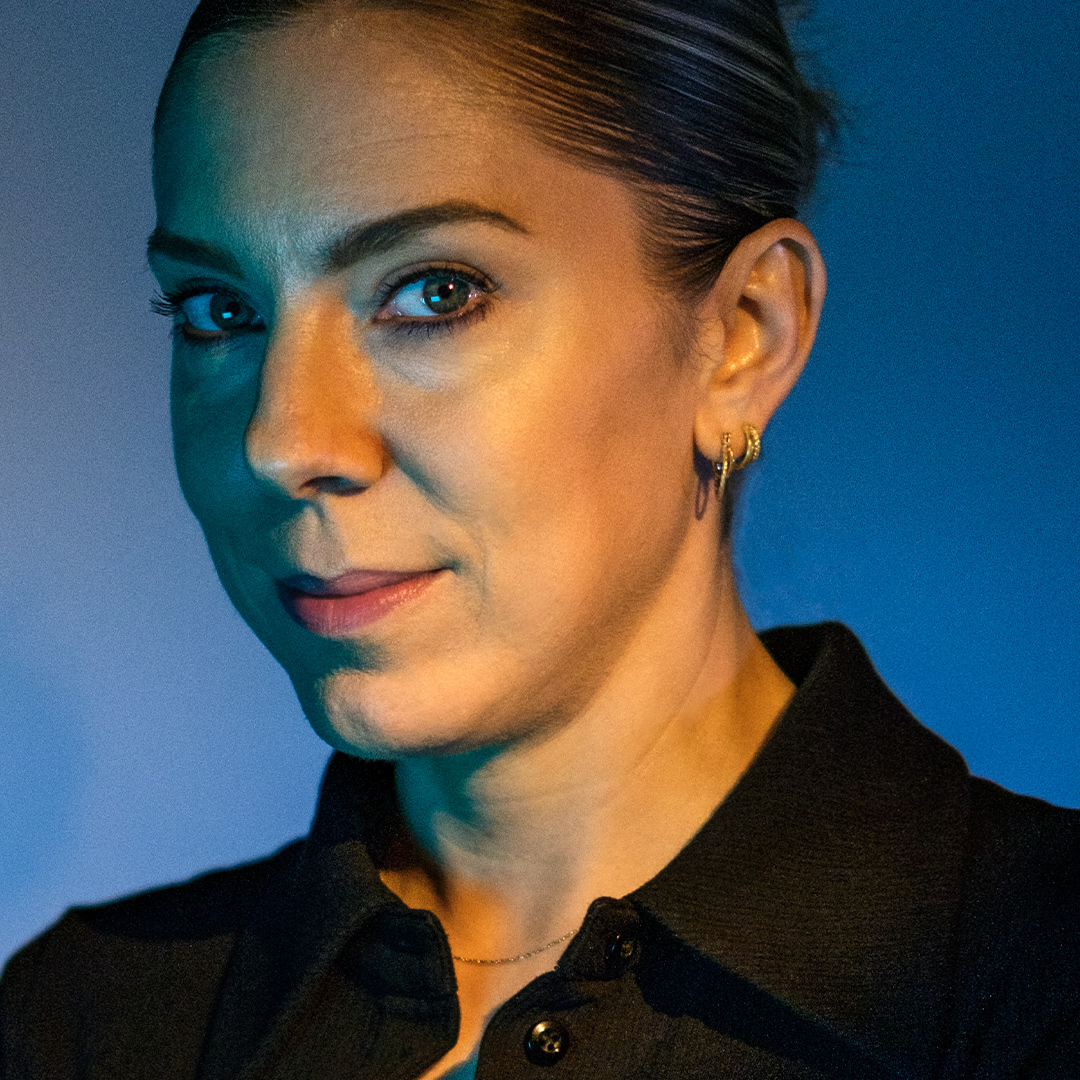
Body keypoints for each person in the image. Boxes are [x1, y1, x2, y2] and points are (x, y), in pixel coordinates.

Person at [2, 1, 1078, 1077]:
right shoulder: (84, 1023)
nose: (280, 442)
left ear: (743, 336)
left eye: (434, 293)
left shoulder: (1036, 985)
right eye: (216, 311)